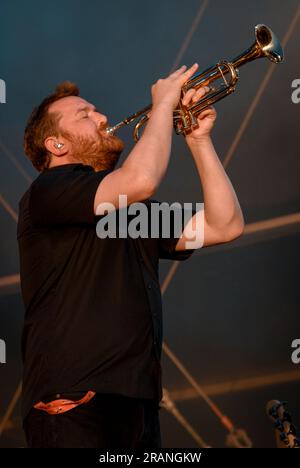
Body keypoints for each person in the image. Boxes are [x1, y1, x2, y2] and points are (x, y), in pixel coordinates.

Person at [17, 63, 244, 448]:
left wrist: (199, 141)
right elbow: (139, 180)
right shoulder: (48, 192)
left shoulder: (128, 214)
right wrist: (163, 106)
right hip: (75, 405)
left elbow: (226, 225)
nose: (102, 116)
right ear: (57, 145)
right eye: (84, 114)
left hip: (136, 407)